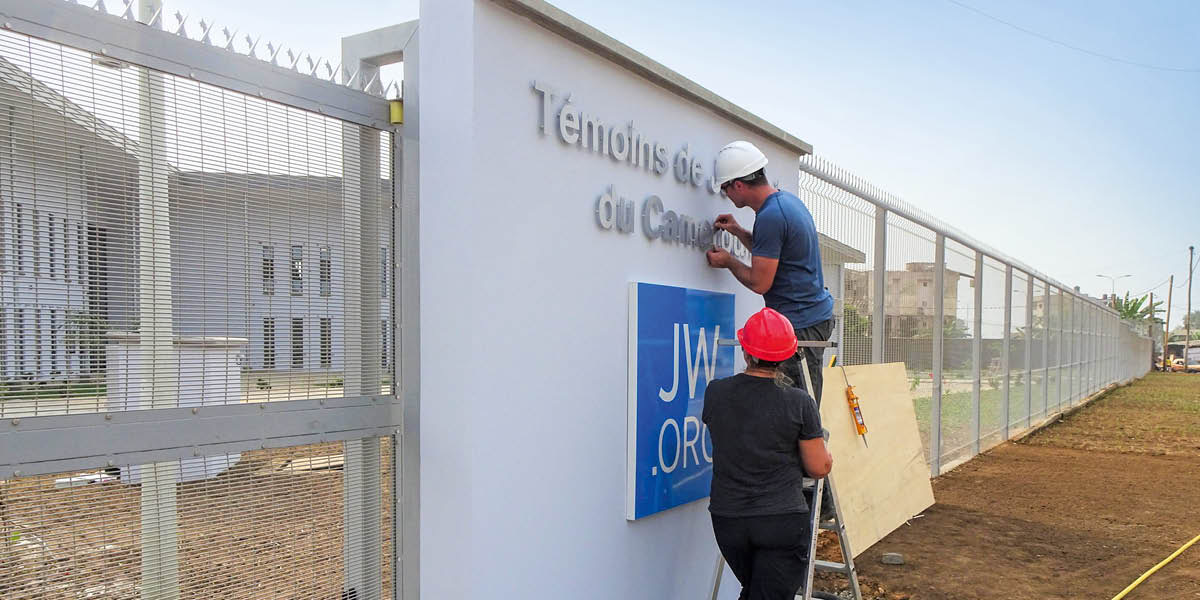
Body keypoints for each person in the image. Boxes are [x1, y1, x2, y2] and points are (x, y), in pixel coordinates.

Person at [703, 308, 833, 600]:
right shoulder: (799, 401)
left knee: (756, 591)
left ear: (746, 352)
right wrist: (826, 456)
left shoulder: (716, 392)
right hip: (780, 519)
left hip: (729, 520)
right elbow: (818, 468)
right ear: (787, 356)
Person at [705, 141, 835, 405]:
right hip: (810, 318)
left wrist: (729, 262)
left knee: (797, 413)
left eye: (724, 188)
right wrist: (739, 232)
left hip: (801, 326)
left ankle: (811, 447)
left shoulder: (771, 216)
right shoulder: (785, 203)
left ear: (738, 185)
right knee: (797, 408)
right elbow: (773, 253)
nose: (725, 195)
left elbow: (760, 281)